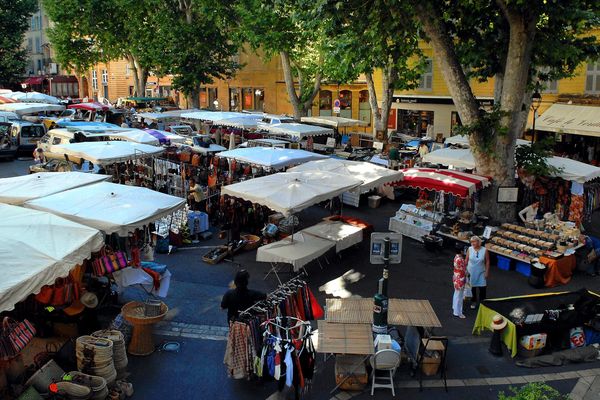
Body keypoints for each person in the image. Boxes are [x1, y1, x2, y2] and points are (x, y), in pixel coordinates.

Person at [465, 236, 490, 310]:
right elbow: (466, 260)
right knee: (472, 288)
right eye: (471, 242)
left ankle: (483, 303)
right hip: (471, 271)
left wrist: (487, 272)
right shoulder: (469, 249)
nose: (472, 243)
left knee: (482, 288)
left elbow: (488, 262)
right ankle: (474, 301)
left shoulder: (485, 250)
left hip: (481, 272)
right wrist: (463, 270)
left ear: (479, 242)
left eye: (474, 241)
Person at [452, 244, 467, 318]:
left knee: (456, 294)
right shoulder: (460, 259)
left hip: (456, 277)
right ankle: (458, 312)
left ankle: (455, 308)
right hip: (460, 279)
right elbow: (464, 270)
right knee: (460, 296)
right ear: (461, 251)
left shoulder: (456, 257)